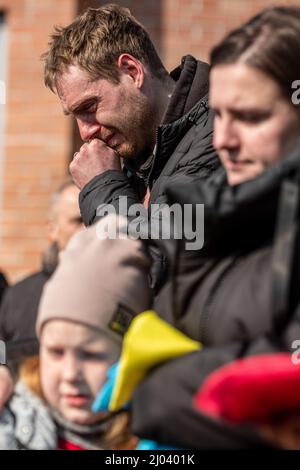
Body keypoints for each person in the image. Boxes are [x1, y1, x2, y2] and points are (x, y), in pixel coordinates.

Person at [118, 6, 300, 448]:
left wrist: (165, 390)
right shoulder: (209, 221)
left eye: (252, 117)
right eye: (218, 115)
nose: (224, 140)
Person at [42, 3, 220, 292]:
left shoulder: (219, 131)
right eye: (75, 115)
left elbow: (149, 274)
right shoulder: (138, 158)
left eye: (89, 107)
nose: (85, 132)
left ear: (132, 70)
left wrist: (102, 186)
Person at [0, 215, 152, 449]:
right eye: (56, 352)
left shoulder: (158, 436)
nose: (70, 374)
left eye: (91, 354)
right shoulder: (10, 422)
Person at [0, 180, 83, 409]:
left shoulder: (124, 290)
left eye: (95, 218)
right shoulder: (18, 295)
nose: (89, 229)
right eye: (78, 220)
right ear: (52, 229)